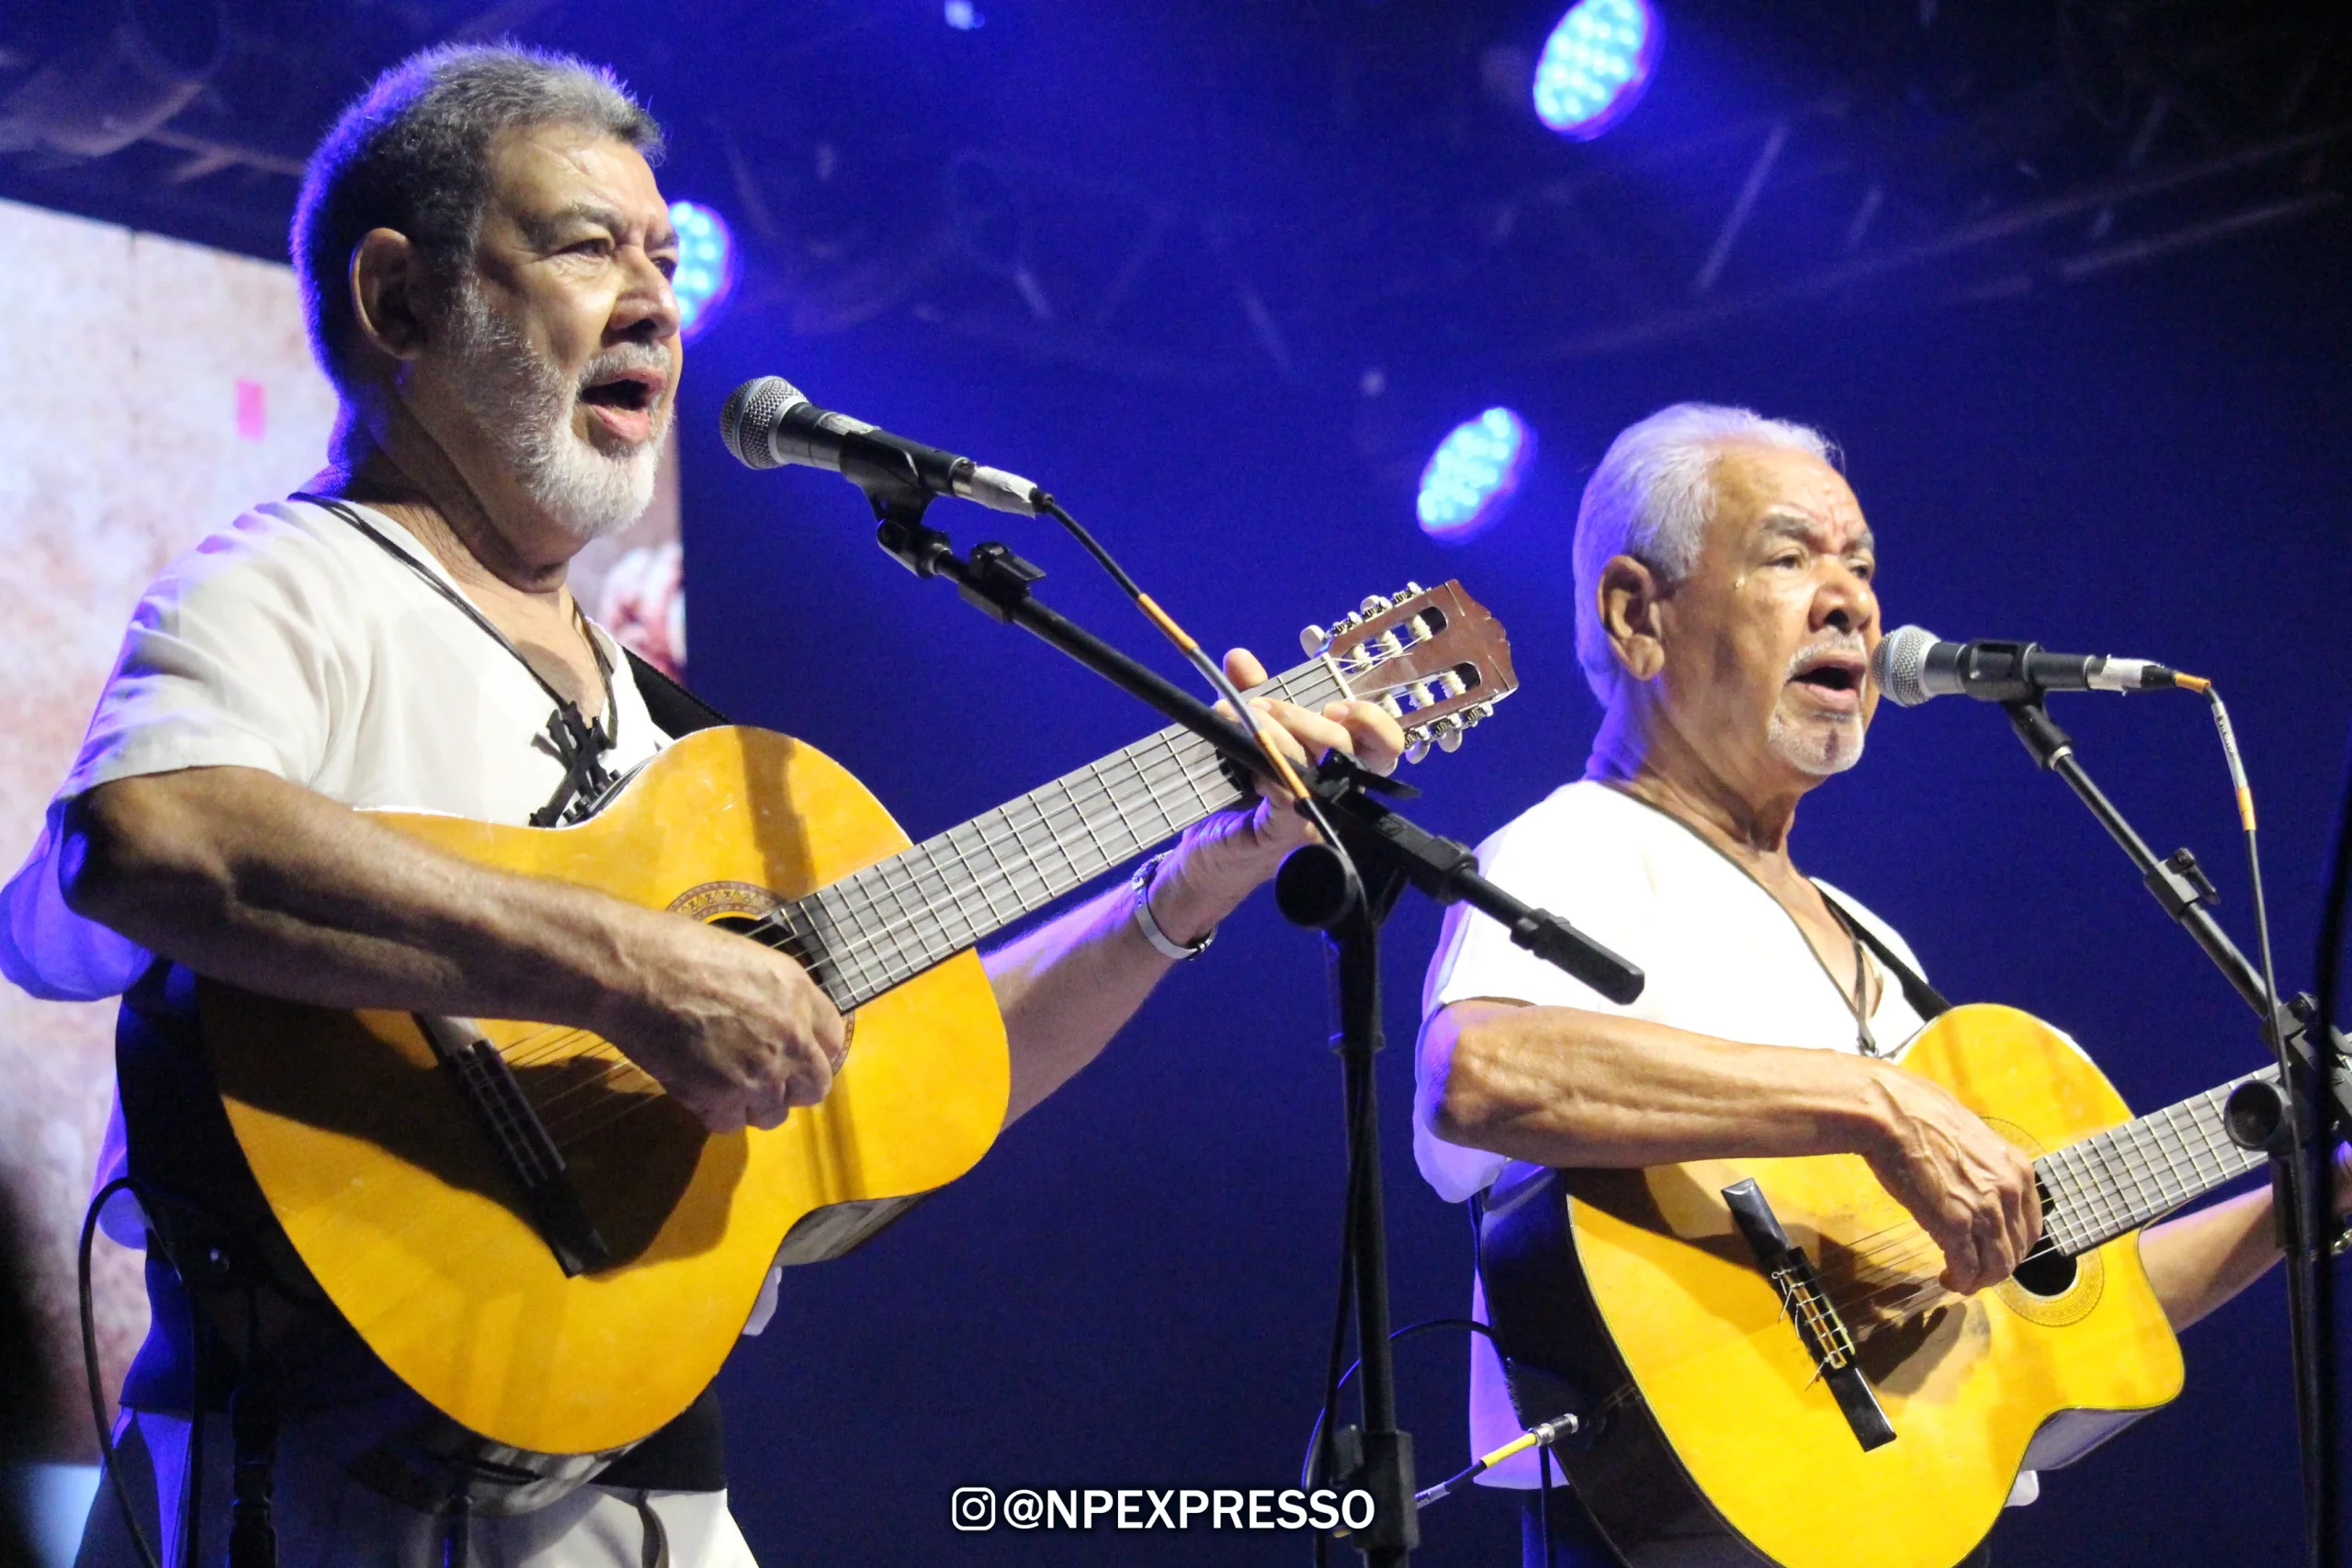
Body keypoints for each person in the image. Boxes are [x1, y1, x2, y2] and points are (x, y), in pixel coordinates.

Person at [0, 44, 1403, 1568]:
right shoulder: (288, 586)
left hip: (654, 1498)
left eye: (666, 260)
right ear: (398, 301)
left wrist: (1184, 887)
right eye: (586, 247)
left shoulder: (678, 735)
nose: (656, 303)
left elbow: (928, 1070)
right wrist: (627, 968)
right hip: (326, 1499)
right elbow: (144, 842)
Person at [1412, 402, 2319, 1568]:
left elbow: (2033, 1322)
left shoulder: (1874, 941)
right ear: (1638, 615)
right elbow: (1479, 1073)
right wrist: (1876, 1103)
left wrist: (2306, 1196)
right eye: (1789, 558)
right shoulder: (1578, 843)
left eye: (1862, 566)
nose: (1850, 601)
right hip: (1671, 1528)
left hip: (1875, 1519)